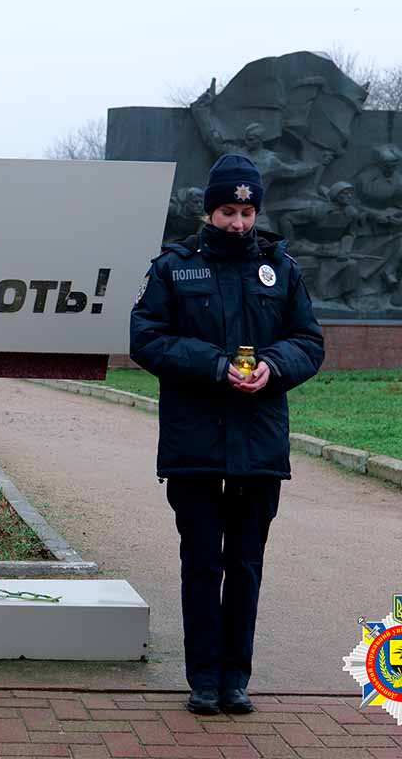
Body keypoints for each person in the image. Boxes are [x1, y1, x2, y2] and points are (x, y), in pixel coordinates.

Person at [129, 154, 323, 715]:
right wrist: (214, 365)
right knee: (200, 563)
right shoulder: (174, 268)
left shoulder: (281, 269)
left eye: (247, 213)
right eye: (228, 212)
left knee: (243, 565)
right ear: (209, 211)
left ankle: (236, 679)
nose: (238, 223)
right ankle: (203, 679)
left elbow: (309, 341)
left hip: (258, 446)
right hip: (194, 444)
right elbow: (146, 338)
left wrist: (273, 366)